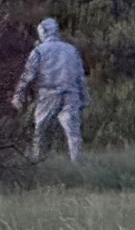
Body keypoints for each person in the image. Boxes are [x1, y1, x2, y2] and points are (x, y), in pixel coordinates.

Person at [12, 17, 90, 163]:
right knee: (73, 133)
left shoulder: (39, 51)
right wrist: (85, 97)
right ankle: (78, 165)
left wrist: (18, 95)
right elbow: (80, 76)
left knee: (40, 130)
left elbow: (27, 76)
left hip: (48, 95)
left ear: (43, 32)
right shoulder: (71, 50)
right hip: (70, 94)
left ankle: (36, 162)